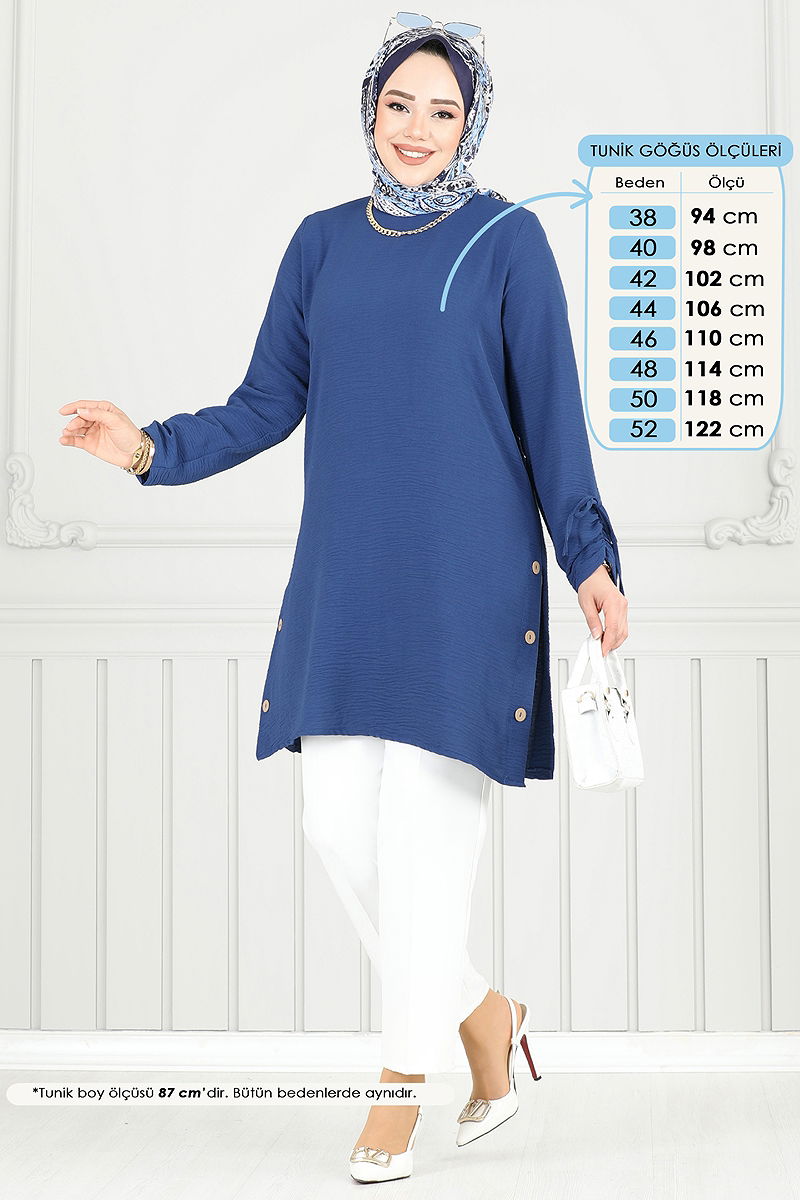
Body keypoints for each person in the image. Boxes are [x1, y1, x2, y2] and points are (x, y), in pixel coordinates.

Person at [58, 21, 628, 1183]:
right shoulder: (321, 244)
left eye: (442, 111)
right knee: (333, 828)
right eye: (398, 105)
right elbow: (265, 403)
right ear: (369, 109)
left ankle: (397, 1088)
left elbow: (552, 417)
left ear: (471, 124)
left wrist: (589, 562)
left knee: (421, 851)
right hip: (347, 588)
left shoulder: (508, 241)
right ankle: (485, 1017)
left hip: (468, 592)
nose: (416, 129)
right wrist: (145, 449)